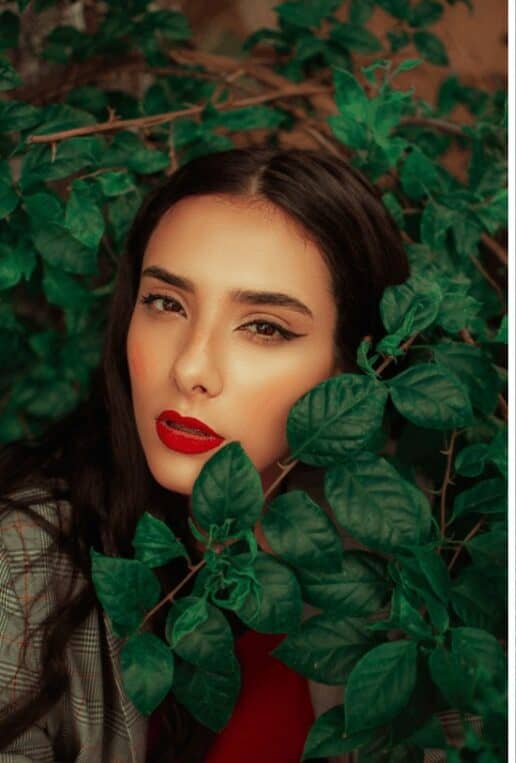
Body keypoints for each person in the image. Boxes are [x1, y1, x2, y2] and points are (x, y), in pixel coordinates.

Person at [0, 147, 409, 761]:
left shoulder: (394, 566)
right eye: (166, 303)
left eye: (264, 326)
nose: (190, 368)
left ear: (350, 368)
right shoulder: (22, 568)